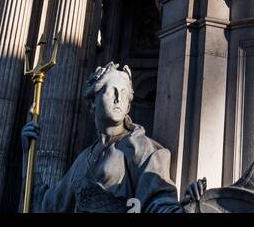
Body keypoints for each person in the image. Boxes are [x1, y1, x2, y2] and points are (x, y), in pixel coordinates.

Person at [21, 61, 205, 213]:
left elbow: (159, 204)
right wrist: (27, 154)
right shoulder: (83, 160)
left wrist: (189, 206)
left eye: (124, 94)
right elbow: (46, 205)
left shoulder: (140, 148)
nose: (119, 99)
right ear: (93, 101)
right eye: (112, 91)